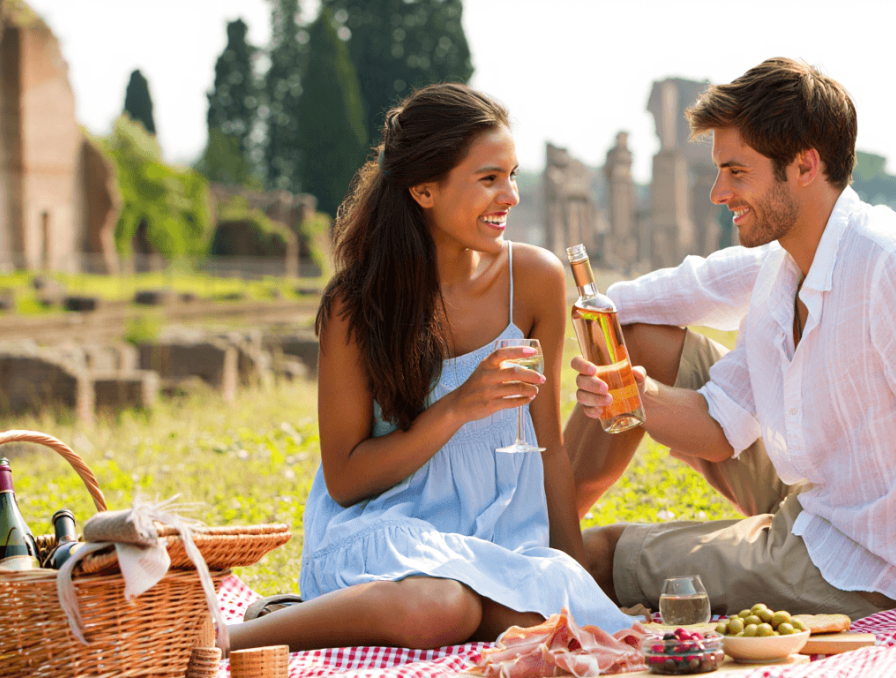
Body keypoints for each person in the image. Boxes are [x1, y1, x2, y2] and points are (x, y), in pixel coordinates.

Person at [567, 57, 896, 625]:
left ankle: (523, 561)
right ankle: (537, 529)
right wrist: (634, 392)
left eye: (737, 172)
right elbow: (721, 430)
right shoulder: (781, 268)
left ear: (804, 166)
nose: (719, 192)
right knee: (636, 339)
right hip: (813, 503)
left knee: (595, 557)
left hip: (871, 566)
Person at [230, 83, 634, 653]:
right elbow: (345, 482)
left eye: (513, 175)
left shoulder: (535, 280)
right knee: (441, 606)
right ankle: (230, 638)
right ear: (424, 189)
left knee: (551, 615)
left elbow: (549, 451)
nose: (512, 195)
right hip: (386, 532)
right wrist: (459, 406)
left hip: (497, 543)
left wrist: (573, 578)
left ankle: (335, 616)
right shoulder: (357, 305)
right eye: (490, 178)